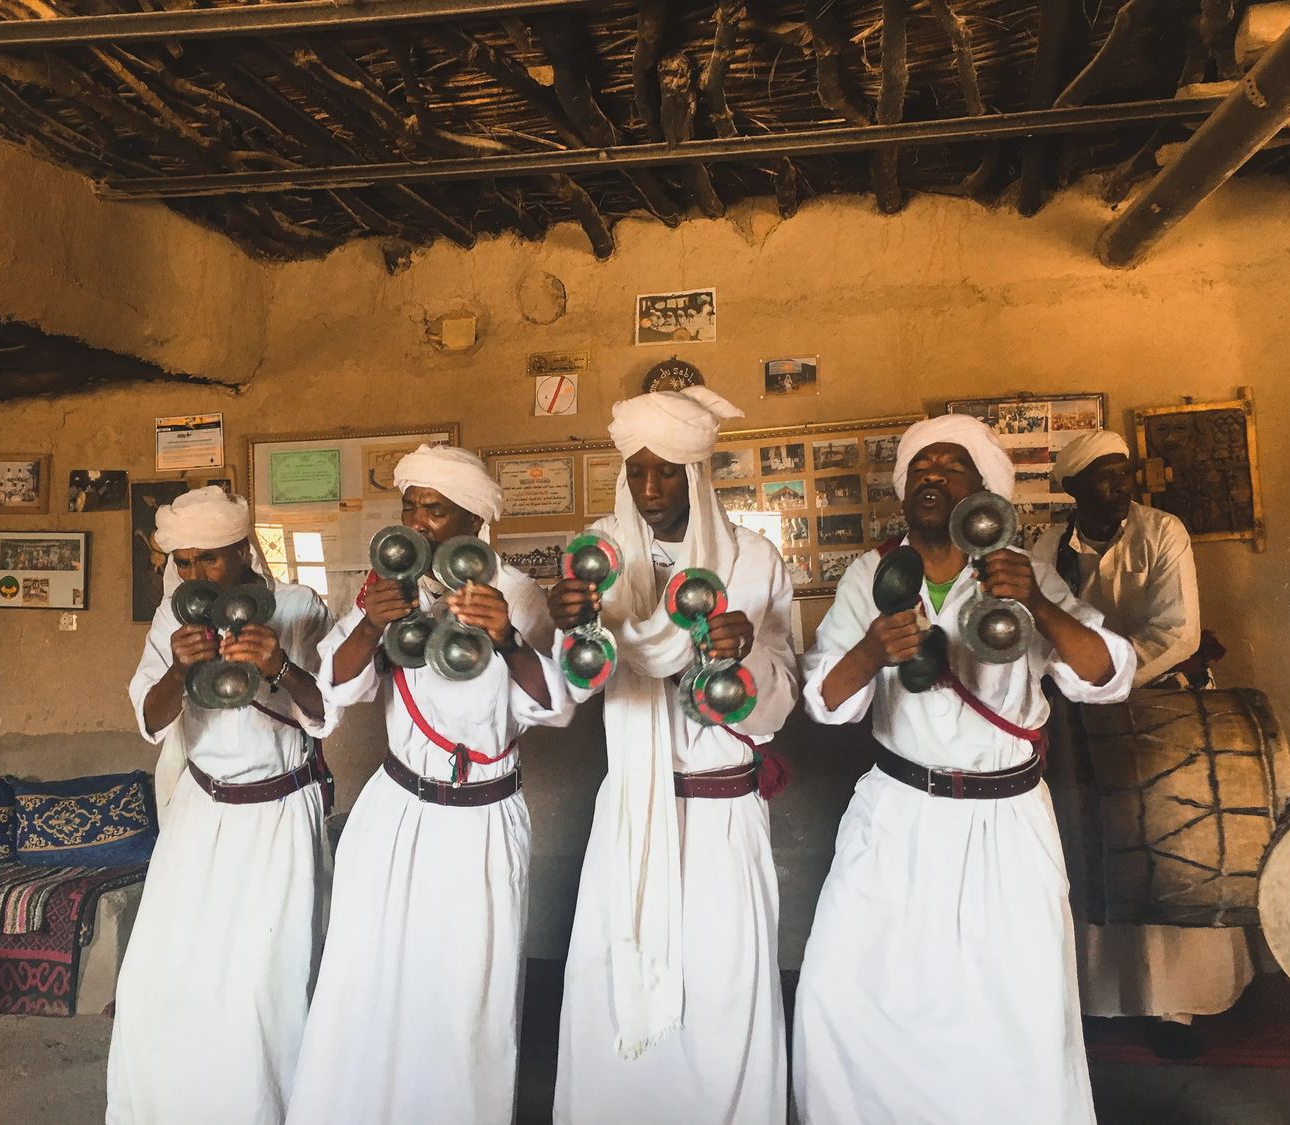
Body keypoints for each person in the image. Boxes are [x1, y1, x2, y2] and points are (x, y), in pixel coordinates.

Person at [794, 415, 1136, 1125]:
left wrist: (1036, 602)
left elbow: (1107, 675)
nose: (933, 476)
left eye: (952, 468)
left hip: (1005, 823)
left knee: (1013, 1012)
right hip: (897, 815)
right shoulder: (871, 573)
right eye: (921, 467)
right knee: (843, 994)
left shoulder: (1021, 571)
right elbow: (825, 701)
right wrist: (870, 652)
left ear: (984, 491)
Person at [285, 445, 573, 1125]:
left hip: (483, 818)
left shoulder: (517, 595)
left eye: (435, 509)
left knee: (466, 993)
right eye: (410, 505)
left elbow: (554, 707)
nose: (416, 521)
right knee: (370, 980)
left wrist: (509, 640)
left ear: (475, 519)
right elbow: (333, 689)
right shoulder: (392, 585)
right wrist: (374, 622)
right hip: (398, 812)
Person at [549, 387, 800, 1124]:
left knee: (723, 994)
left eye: (666, 473)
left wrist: (744, 655)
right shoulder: (599, 559)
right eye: (637, 472)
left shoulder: (751, 560)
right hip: (631, 807)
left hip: (722, 813)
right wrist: (571, 629)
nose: (650, 489)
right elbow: (571, 691)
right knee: (611, 978)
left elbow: (783, 703)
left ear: (697, 473)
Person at [108, 486, 333, 1125]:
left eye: (209, 558)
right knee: (163, 976)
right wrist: (179, 670)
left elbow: (326, 712)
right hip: (200, 813)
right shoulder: (172, 617)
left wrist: (279, 665)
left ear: (242, 550)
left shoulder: (299, 606)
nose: (196, 574)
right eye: (183, 562)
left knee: (262, 989)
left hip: (279, 815)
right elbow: (151, 721)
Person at [1034, 430, 1251, 1056]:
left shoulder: (1162, 532)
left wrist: (1110, 676)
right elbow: (1044, 628)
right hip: (1081, 710)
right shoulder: (1048, 548)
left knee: (1171, 841)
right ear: (1072, 487)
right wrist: (1078, 679)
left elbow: (1179, 631)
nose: (1121, 484)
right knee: (1096, 846)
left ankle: (1176, 1008)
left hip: (1161, 699)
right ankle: (1101, 1000)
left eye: (1124, 471)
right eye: (1105, 474)